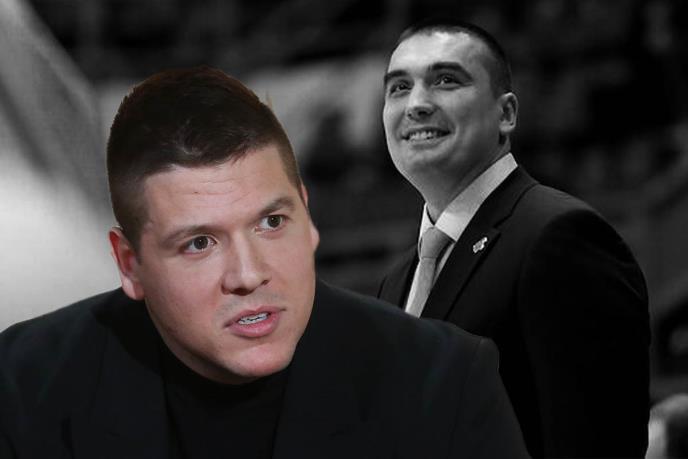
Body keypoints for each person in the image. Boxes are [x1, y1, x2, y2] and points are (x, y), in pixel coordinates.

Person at [0, 66, 528, 458]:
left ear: (307, 214)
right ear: (130, 264)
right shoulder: (23, 385)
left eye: (272, 222)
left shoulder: (442, 381)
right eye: (199, 243)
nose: (249, 275)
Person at [378, 19, 650, 458]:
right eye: (399, 87)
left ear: (505, 114)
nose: (417, 104)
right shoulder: (394, 282)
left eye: (445, 80)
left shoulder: (560, 238)